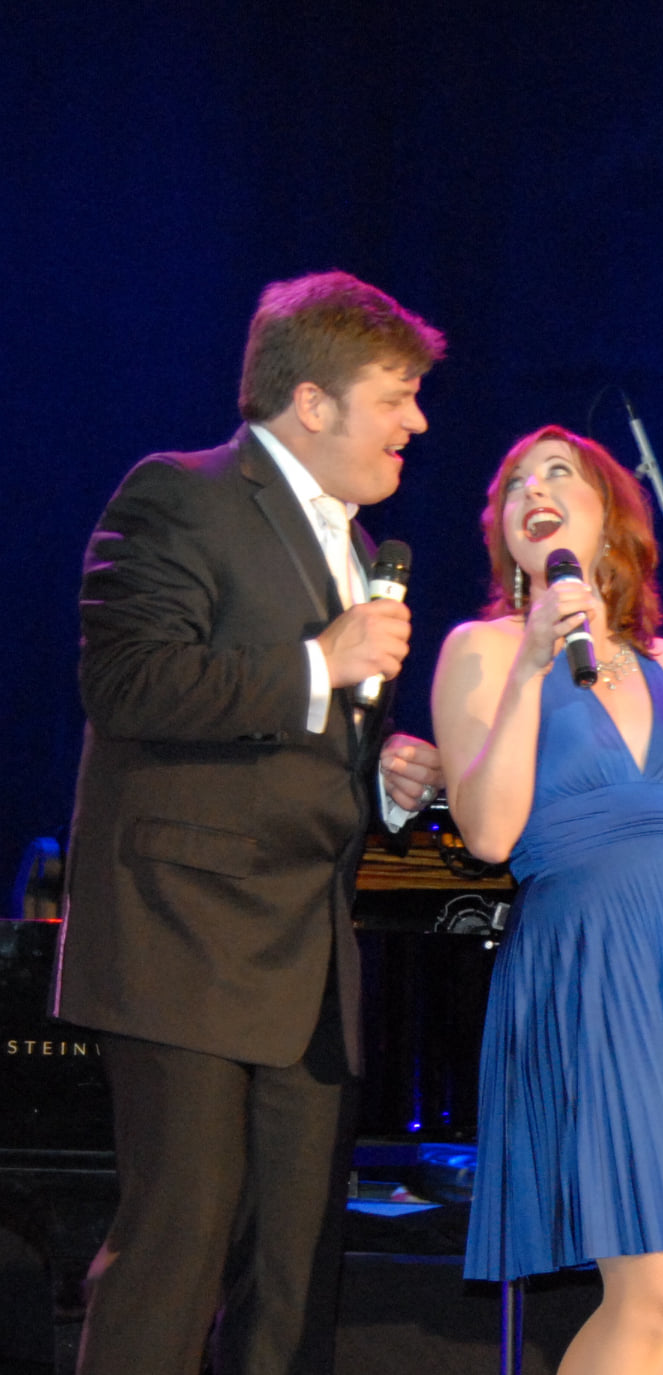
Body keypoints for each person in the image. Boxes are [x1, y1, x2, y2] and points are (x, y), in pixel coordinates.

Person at [55, 270, 448, 1374]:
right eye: (396, 395)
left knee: (290, 1280)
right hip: (185, 940)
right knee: (177, 1253)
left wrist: (381, 781)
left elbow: (296, 742)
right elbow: (128, 681)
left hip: (303, 963)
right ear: (312, 401)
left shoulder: (357, 547)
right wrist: (319, 663)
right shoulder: (182, 493)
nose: (416, 421)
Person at [432, 424, 663, 1374]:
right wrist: (529, 668)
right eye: (515, 481)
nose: (533, 490)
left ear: (611, 521)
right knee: (658, 1282)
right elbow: (488, 834)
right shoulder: (480, 649)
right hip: (593, 960)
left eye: (560, 474)